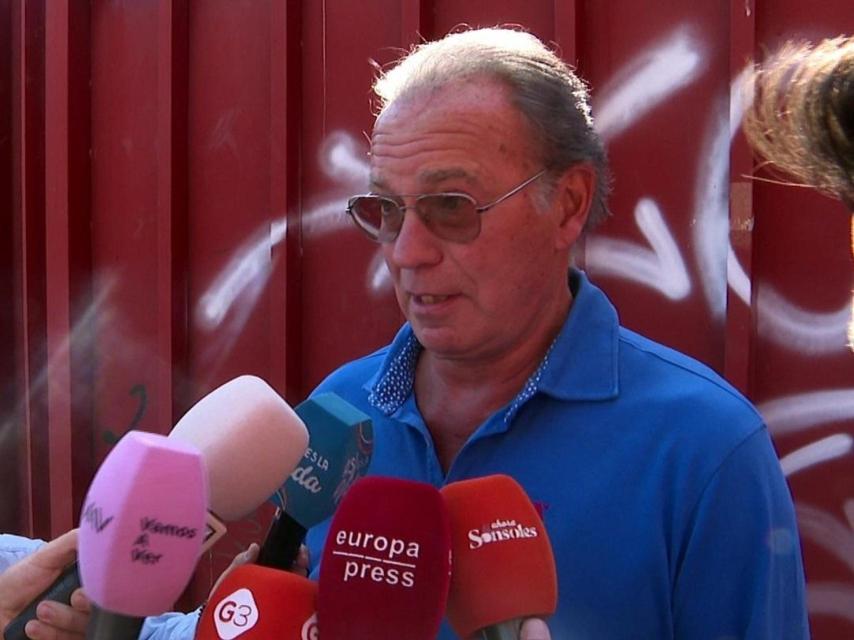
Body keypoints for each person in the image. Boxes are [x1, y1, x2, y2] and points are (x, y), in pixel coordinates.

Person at [304, 27, 810, 638]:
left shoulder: (704, 449)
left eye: (451, 207)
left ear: (568, 204)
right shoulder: (339, 413)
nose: (407, 253)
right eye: (386, 211)